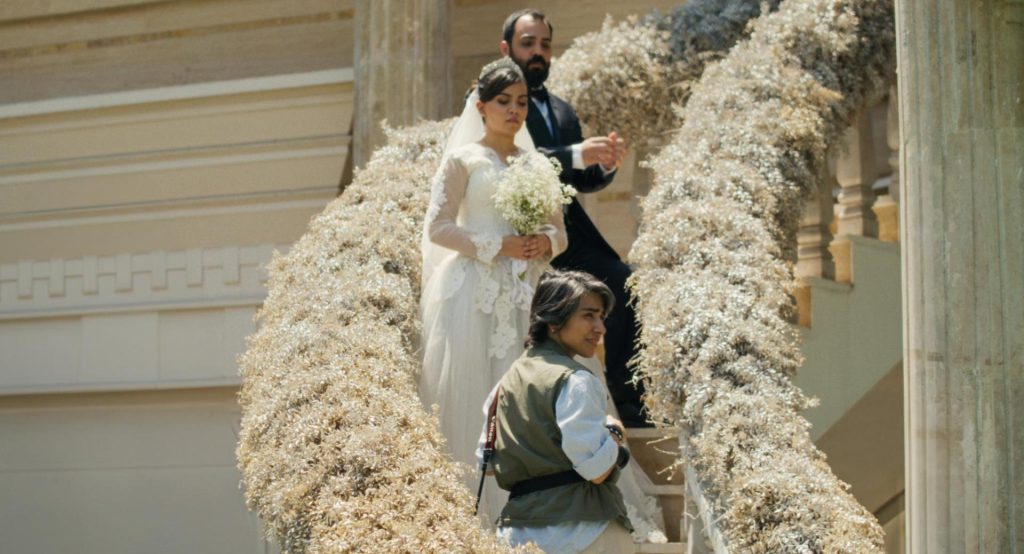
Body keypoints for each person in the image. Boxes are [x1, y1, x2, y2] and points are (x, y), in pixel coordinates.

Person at [419, 57, 567, 518]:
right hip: (472, 292)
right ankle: (469, 507)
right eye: (503, 101)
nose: (514, 110)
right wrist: (498, 245)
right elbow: (438, 229)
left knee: (530, 387)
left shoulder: (537, 165)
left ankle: (537, 500)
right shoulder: (463, 159)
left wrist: (543, 242)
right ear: (481, 106)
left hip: (526, 291)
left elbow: (560, 232)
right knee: (473, 388)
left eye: (521, 102)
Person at [499, 9, 649, 427]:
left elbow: (580, 179)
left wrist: (603, 165)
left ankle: (630, 402)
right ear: (506, 49)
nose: (538, 52)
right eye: (528, 43)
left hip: (567, 232)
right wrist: (576, 153)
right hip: (513, 230)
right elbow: (513, 156)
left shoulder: (562, 110)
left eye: (545, 45)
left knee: (623, 281)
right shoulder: (495, 102)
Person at [476, 270, 633, 553]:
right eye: (589, 316)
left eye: (601, 317)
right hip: (586, 533)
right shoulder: (576, 380)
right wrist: (615, 433)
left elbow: (486, 464)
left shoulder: (504, 385)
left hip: (518, 537)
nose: (600, 328)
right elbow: (597, 470)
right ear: (553, 321)